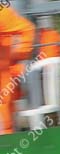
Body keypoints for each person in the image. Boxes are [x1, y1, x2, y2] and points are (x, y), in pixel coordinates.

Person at [0, 4, 34, 134]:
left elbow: (27, 29)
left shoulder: (2, 13)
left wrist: (18, 55)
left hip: (3, 73)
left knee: (5, 121)